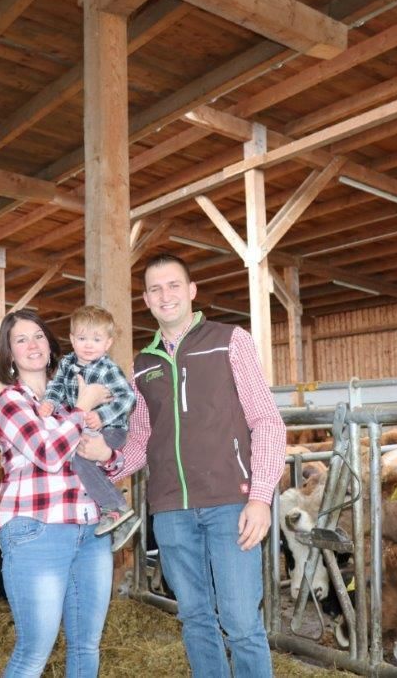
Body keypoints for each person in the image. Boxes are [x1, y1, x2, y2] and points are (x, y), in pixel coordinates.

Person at [112, 253, 286, 677]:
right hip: (171, 510)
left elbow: (266, 420)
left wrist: (261, 497)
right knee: (194, 617)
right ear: (146, 300)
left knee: (241, 622)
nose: (165, 295)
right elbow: (139, 440)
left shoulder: (230, 340)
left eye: (173, 286)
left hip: (232, 503)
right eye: (155, 289)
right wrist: (96, 470)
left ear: (191, 292)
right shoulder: (142, 365)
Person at [0, 308, 118, 678]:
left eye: (39, 336)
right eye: (20, 339)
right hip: (37, 531)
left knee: (86, 646)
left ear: (50, 344)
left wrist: (108, 455)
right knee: (34, 652)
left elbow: (104, 462)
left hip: (90, 531)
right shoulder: (11, 402)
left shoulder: (67, 400)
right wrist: (82, 407)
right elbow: (47, 455)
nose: (32, 344)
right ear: (9, 354)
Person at [37, 305, 139, 544]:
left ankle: (116, 508)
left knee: (81, 459)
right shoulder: (66, 364)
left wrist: (102, 415)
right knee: (76, 458)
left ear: (108, 343)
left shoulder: (108, 368)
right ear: (72, 339)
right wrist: (49, 402)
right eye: (82, 338)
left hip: (111, 429)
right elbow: (56, 387)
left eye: (96, 338)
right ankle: (114, 513)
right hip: (86, 427)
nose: (88, 344)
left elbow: (127, 397)